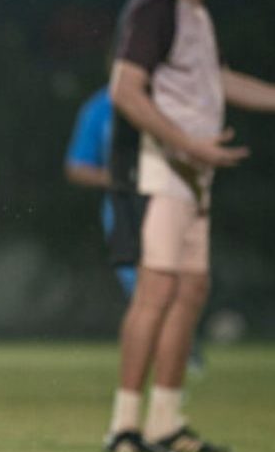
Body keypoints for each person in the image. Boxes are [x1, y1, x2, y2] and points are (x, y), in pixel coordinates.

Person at [103, 0, 275, 452]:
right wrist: (188, 143)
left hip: (191, 172)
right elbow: (125, 90)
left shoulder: (194, 14)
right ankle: (125, 428)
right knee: (156, 291)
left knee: (190, 290)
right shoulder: (153, 5)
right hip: (156, 168)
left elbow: (216, 81)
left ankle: (166, 423)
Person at [64, 86, 206, 371]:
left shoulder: (170, 99)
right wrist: (120, 178)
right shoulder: (100, 108)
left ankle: (181, 351)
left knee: (179, 282)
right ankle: (151, 366)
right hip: (125, 206)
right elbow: (77, 166)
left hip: (169, 201)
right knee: (142, 288)